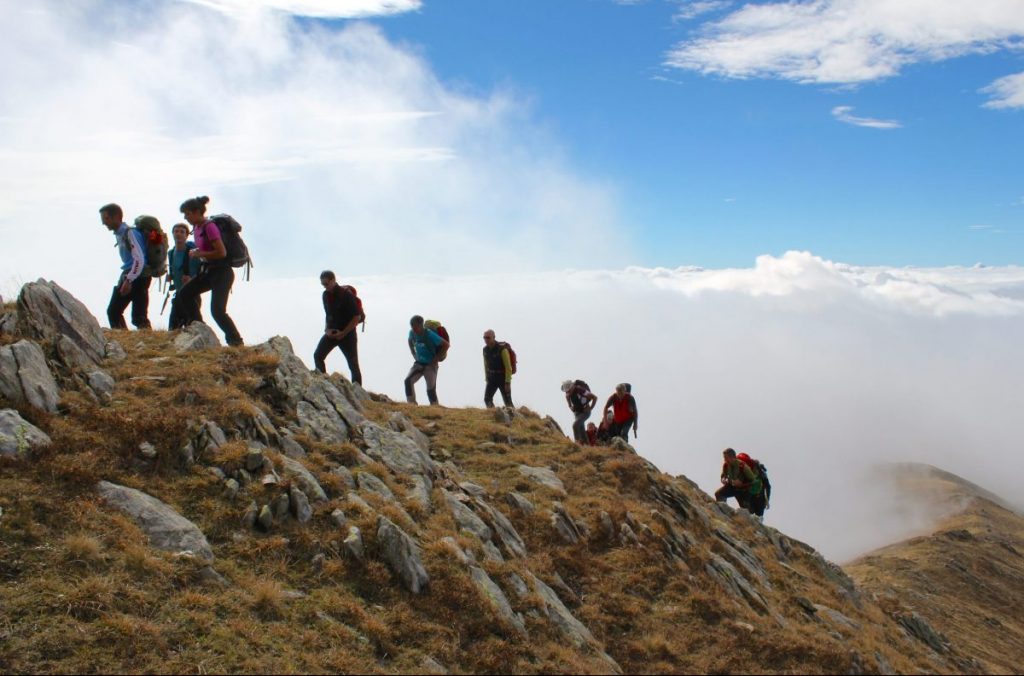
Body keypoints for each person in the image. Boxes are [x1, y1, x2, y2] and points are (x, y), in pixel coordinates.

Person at [169, 196, 244, 346]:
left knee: (217, 311)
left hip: (222, 272)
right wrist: (200, 252)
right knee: (184, 294)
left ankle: (236, 342)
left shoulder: (209, 227)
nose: (185, 217)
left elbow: (221, 252)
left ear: (197, 212)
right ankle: (199, 328)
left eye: (188, 213)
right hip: (209, 271)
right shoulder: (196, 229)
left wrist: (200, 254)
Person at [100, 202, 152, 330]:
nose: (103, 222)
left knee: (136, 316)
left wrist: (129, 280)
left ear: (116, 216)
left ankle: (147, 344)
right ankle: (124, 342)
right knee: (116, 312)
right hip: (133, 275)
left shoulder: (130, 233)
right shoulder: (121, 234)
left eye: (106, 218)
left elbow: (139, 260)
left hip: (138, 276)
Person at [313, 270, 362, 384]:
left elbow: (356, 317)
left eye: (326, 284)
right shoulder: (325, 295)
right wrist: (327, 330)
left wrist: (343, 333)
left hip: (348, 335)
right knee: (318, 355)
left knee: (353, 365)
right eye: (322, 285)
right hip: (333, 333)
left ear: (333, 280)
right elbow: (328, 315)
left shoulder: (346, 295)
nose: (325, 287)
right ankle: (323, 383)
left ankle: (358, 393)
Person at [405, 315, 449, 405]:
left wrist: (436, 359)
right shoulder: (412, 333)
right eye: (412, 326)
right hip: (419, 364)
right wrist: (413, 353)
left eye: (415, 327)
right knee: (408, 381)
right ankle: (411, 405)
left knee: (430, 390)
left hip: (431, 366)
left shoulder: (430, 334)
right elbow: (410, 341)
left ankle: (435, 408)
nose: (414, 329)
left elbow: (446, 345)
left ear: (421, 325)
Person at [166, 223, 202, 330]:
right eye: (176, 231)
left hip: (192, 295)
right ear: (172, 233)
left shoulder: (193, 251)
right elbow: (176, 269)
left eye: (182, 232)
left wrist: (192, 279)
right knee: (173, 328)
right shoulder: (171, 253)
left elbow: (202, 270)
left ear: (187, 235)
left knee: (191, 327)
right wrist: (171, 276)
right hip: (178, 294)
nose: (178, 234)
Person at [714, 448, 762, 513]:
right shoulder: (726, 465)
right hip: (732, 487)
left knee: (746, 511)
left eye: (726, 458)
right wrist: (723, 479)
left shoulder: (742, 466)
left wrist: (741, 484)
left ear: (732, 457)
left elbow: (753, 481)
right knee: (718, 494)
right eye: (724, 458)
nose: (724, 460)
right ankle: (723, 511)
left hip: (743, 491)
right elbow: (723, 475)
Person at [482, 329, 513, 408]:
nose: (486, 340)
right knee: (487, 399)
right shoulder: (485, 350)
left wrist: (507, 382)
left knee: (507, 401)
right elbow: (486, 364)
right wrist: (487, 378)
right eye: (484, 337)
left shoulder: (502, 349)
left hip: (502, 378)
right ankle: (495, 414)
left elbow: (508, 367)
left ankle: (514, 418)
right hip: (492, 377)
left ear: (493, 337)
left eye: (488, 337)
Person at [561, 379, 597, 444]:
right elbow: (569, 403)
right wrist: (571, 407)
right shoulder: (567, 394)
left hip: (585, 412)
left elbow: (594, 397)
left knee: (575, 425)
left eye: (569, 390)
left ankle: (576, 444)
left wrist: (591, 408)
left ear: (572, 387)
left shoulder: (580, 390)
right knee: (582, 431)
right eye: (566, 391)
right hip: (577, 413)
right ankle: (587, 448)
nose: (568, 392)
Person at [737, 452, 771, 517]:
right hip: (750, 496)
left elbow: (768, 486)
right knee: (749, 515)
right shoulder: (745, 471)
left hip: (760, 497)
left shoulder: (761, 473)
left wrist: (767, 499)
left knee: (758, 517)